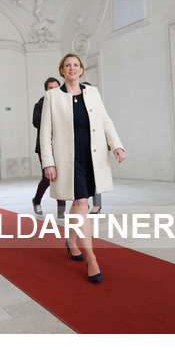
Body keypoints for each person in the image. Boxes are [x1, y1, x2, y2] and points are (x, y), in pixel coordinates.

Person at [40, 53, 125, 283]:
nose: (72, 68)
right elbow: (45, 133)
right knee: (82, 203)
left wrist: (117, 146)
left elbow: (106, 121)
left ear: (81, 70)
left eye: (76, 65)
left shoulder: (93, 92)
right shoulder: (52, 96)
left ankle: (71, 241)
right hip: (68, 159)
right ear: (62, 70)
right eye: (67, 65)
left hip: (91, 157)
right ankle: (92, 258)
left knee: (79, 204)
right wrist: (48, 162)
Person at [32, 77, 66, 220]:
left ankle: (61, 209)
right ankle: (36, 201)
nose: (54, 90)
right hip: (44, 147)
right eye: (51, 88)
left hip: (61, 145)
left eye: (56, 88)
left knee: (60, 177)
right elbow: (36, 122)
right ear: (46, 90)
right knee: (47, 178)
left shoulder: (64, 102)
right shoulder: (40, 104)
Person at [82, 81, 102, 214]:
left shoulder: (96, 106)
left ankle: (97, 204)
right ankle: (83, 202)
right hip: (80, 147)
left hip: (95, 146)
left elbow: (103, 124)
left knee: (96, 177)